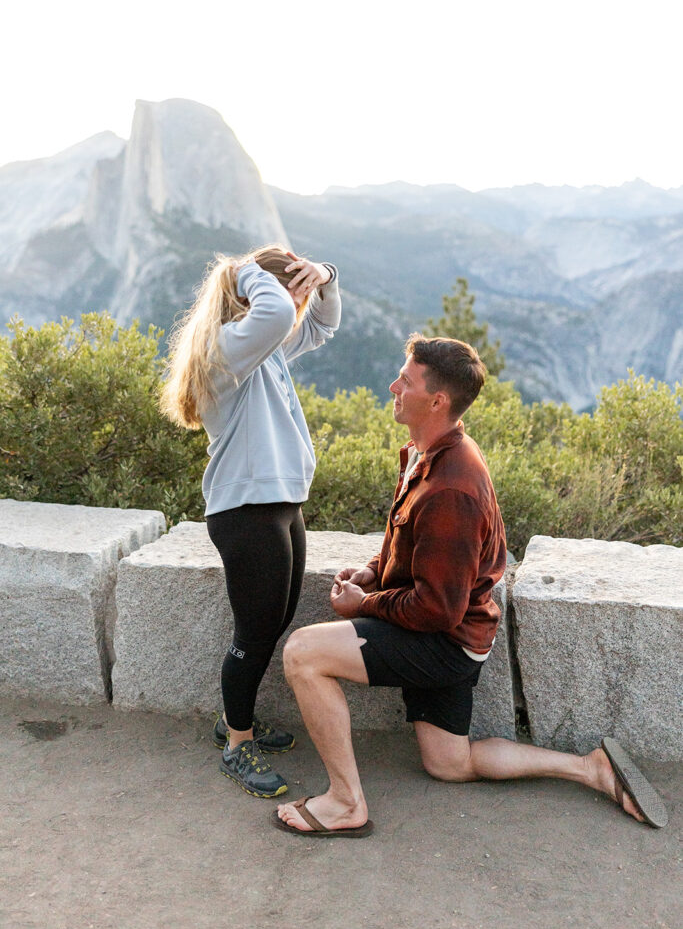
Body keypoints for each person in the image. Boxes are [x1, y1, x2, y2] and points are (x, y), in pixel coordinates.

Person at [272, 334, 668, 836]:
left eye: (407, 380)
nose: (393, 385)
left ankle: (347, 803)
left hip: (442, 642)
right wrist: (374, 569)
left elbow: (436, 608)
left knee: (303, 653)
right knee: (449, 763)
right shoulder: (429, 452)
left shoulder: (452, 488)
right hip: (457, 635)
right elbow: (413, 544)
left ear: (437, 400)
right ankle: (589, 768)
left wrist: (364, 603)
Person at [161, 243, 341, 798]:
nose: (297, 306)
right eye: (289, 293)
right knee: (254, 631)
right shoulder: (225, 351)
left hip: (280, 504)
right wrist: (239, 270)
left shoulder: (262, 351)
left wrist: (325, 276)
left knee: (274, 620)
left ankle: (233, 719)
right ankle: (237, 742)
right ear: (249, 296)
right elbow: (278, 316)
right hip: (246, 514)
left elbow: (322, 327)